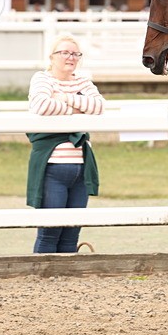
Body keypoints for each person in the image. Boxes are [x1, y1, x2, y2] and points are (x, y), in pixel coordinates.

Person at [27, 35, 104, 254]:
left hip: (82, 167)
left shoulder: (83, 81)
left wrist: (64, 98)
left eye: (75, 54)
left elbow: (98, 106)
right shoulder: (41, 79)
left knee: (72, 231)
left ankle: (67, 279)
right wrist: (79, 109)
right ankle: (42, 277)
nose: (70, 57)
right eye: (64, 52)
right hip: (52, 167)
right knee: (50, 231)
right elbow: (41, 105)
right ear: (52, 57)